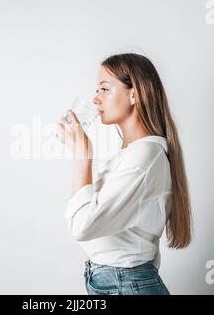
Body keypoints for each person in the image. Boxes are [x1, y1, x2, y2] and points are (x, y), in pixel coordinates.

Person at [57, 53, 192, 295]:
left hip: (126, 284)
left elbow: (82, 226)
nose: (95, 98)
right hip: (116, 281)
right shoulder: (132, 154)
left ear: (134, 94)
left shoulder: (145, 156)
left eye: (104, 89)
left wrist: (82, 157)